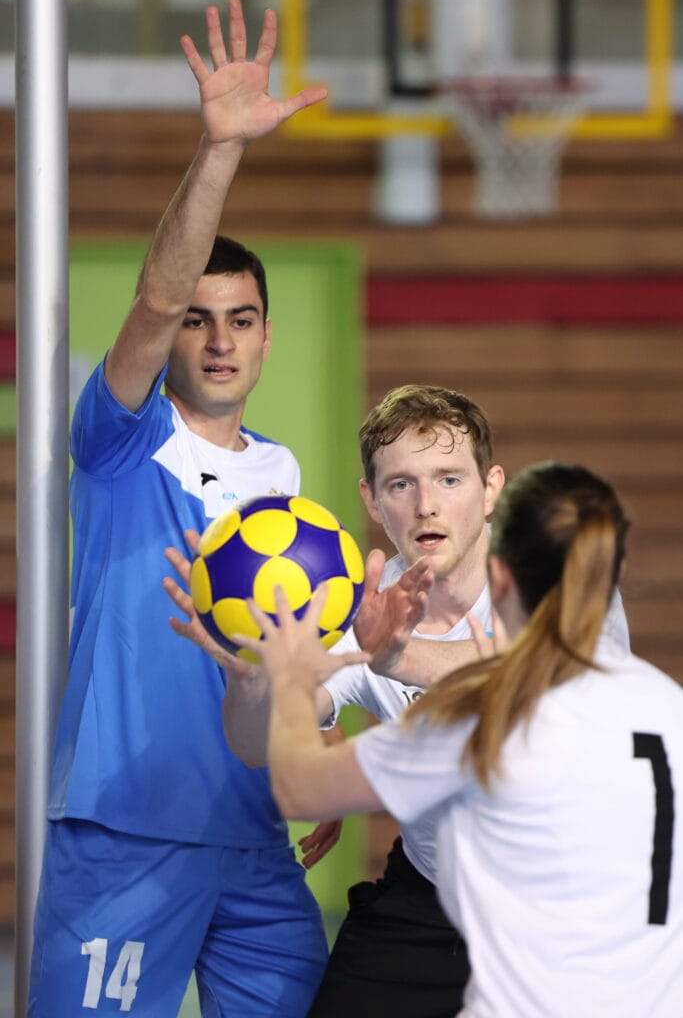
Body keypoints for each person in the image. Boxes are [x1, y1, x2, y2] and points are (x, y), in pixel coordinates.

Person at [28, 1, 341, 1017]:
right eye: (198, 321)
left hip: (255, 838)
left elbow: (284, 650)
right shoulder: (121, 437)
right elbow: (155, 300)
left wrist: (316, 754)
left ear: (265, 337)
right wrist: (220, 151)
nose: (217, 340)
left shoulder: (282, 479)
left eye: (240, 319)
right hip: (123, 831)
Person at [166, 384, 631, 1018]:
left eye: (449, 479)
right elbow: (253, 746)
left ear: (491, 488)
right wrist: (250, 678)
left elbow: (555, 674)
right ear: (371, 499)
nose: (426, 505)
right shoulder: (361, 606)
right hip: (433, 895)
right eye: (401, 485)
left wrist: (397, 659)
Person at [242, 460, 683, 1018]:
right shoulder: (668, 704)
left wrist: (283, 669)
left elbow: (299, 788)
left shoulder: (477, 720)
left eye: (449, 479)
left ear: (501, 581)